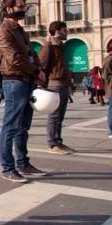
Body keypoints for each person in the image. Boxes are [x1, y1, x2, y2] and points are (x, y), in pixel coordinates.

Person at [0, 0, 46, 183]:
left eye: (24, 6)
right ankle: (8, 167)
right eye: (20, 6)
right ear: (8, 9)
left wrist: (39, 69)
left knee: (23, 126)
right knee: (11, 125)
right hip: (14, 81)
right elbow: (14, 58)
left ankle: (23, 164)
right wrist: (35, 71)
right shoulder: (3, 30)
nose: (23, 9)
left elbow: (31, 52)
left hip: (26, 79)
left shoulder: (20, 30)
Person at [39, 21, 73, 153]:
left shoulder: (61, 47)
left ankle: (58, 141)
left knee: (60, 116)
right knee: (54, 116)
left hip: (63, 84)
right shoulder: (49, 47)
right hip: (54, 85)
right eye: (64, 30)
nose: (66, 33)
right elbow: (42, 66)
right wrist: (42, 86)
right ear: (57, 31)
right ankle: (52, 144)